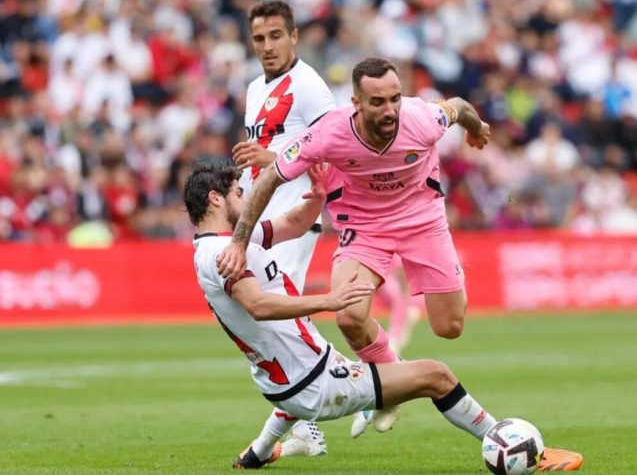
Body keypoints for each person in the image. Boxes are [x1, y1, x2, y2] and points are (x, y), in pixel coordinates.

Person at [184, 163, 583, 471]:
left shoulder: (232, 241)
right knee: (437, 376)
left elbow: (291, 224)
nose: (248, 197)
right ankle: (515, 447)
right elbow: (259, 305)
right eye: (240, 192)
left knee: (302, 394)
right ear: (216, 199)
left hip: (290, 379)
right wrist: (332, 299)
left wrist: (317, 196)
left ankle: (257, 454)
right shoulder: (220, 256)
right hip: (315, 383)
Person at [217, 56, 490, 435]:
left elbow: (458, 107)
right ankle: (393, 380)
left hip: (423, 221)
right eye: (378, 102)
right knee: (348, 314)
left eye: (395, 98)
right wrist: (239, 241)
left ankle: (391, 380)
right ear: (357, 104)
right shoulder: (329, 133)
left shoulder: (423, 118)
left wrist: (475, 129)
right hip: (365, 227)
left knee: (450, 327)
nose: (391, 109)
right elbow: (269, 180)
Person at [233, 0, 337, 455]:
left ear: (294, 36)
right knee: (281, 321)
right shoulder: (256, 87)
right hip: (260, 221)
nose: (268, 46)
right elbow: (257, 163)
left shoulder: (311, 87)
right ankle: (312, 418)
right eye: (260, 38)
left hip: (293, 221)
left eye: (276, 36)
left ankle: (369, 383)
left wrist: (274, 160)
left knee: (278, 319)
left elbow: (334, 155)